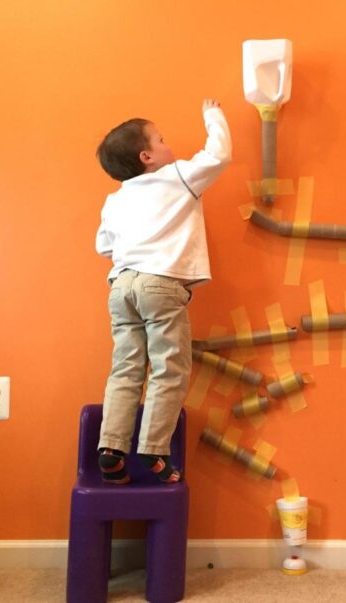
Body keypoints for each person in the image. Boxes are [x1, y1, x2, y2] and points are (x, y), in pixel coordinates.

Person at [94, 99, 232, 484]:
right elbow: (218, 155)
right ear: (148, 156)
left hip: (121, 286)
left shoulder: (115, 199)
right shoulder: (178, 176)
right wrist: (213, 116)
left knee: (126, 368)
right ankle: (153, 451)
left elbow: (104, 246)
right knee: (169, 369)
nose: (169, 145)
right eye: (162, 139)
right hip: (160, 284)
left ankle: (111, 448)